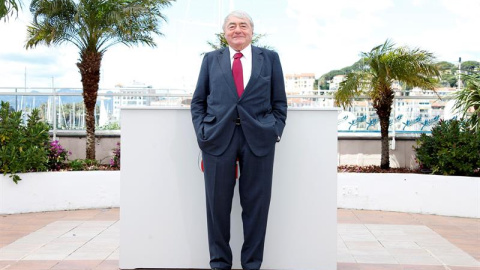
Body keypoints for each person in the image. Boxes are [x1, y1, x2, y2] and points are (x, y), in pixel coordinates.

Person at [190, 10, 287, 270]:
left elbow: (279, 102)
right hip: (217, 139)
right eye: (232, 26)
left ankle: (252, 264)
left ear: (251, 31)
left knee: (256, 205)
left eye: (243, 25)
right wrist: (202, 132)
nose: (237, 30)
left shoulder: (270, 59)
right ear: (225, 33)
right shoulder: (211, 60)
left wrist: (275, 129)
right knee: (216, 206)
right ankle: (220, 263)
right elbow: (198, 101)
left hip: (259, 139)